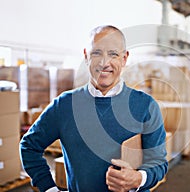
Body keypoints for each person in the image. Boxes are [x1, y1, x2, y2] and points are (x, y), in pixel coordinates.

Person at [20, 25, 168, 192]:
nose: (105, 63)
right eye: (97, 53)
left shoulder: (146, 106)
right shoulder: (64, 105)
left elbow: (158, 163)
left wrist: (138, 178)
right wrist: (49, 188)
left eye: (113, 54)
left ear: (124, 59)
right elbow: (29, 146)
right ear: (86, 56)